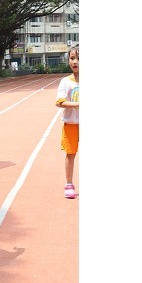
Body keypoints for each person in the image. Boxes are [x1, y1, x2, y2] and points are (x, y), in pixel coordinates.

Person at [55, 45, 79, 199]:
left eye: (79, 58)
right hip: (71, 124)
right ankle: (69, 184)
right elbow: (60, 102)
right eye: (72, 58)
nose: (75, 61)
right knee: (70, 154)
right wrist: (78, 104)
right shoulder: (65, 82)